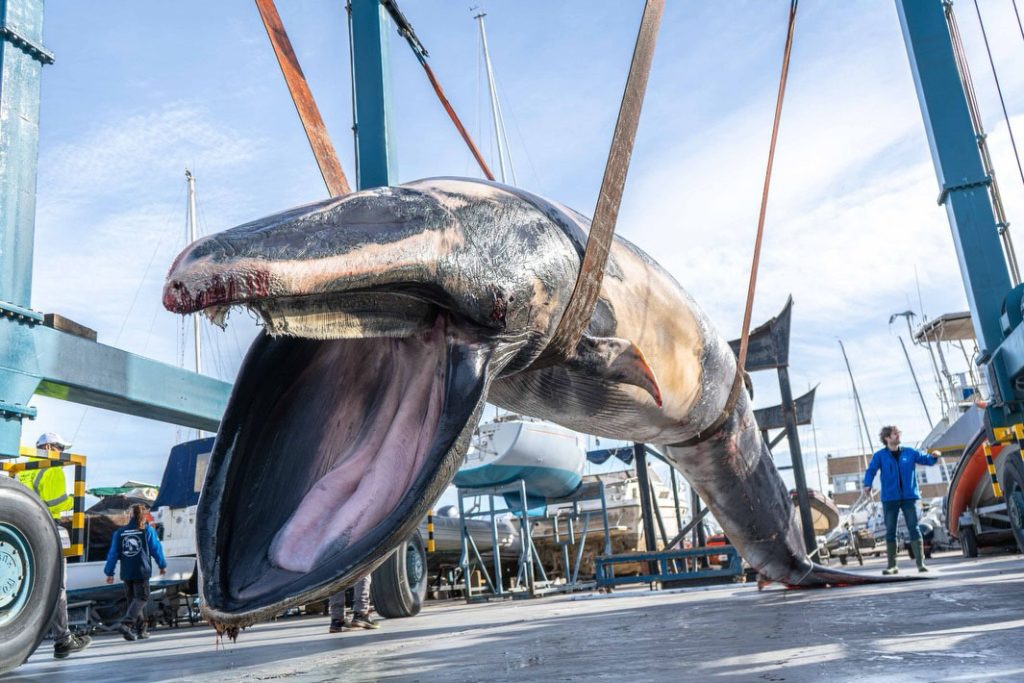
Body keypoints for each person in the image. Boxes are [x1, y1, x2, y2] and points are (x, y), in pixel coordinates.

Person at [18, 433, 91, 659]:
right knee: (58, 587)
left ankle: (21, 642)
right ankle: (63, 639)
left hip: (28, 530)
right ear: (48, 446)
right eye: (59, 447)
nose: (61, 453)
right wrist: (75, 501)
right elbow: (57, 502)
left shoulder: (24, 469)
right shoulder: (54, 468)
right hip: (52, 527)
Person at [862, 425, 941, 575]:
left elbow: (926, 460)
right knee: (890, 531)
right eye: (894, 434)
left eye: (898, 433)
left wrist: (934, 457)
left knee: (914, 528)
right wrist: (867, 485)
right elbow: (871, 470)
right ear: (887, 438)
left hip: (909, 497)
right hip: (889, 498)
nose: (898, 435)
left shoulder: (910, 452)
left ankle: (920, 564)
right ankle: (892, 566)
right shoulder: (880, 456)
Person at [104, 503, 167, 641]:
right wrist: (162, 564)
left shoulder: (119, 533)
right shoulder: (147, 531)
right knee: (142, 598)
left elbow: (113, 554)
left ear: (130, 515)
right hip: (141, 570)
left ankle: (141, 631)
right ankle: (126, 625)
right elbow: (156, 549)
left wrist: (109, 572)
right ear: (143, 515)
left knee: (134, 601)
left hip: (127, 572)